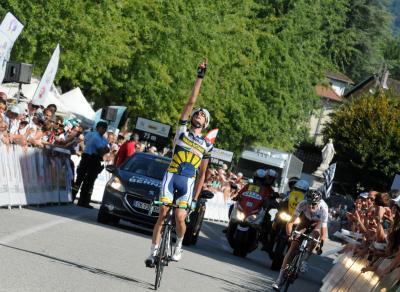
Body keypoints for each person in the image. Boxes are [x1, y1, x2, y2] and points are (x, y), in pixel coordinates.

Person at [145, 59, 212, 266]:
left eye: (203, 115)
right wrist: (199, 77)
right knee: (163, 213)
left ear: (205, 123)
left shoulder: (207, 145)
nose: (199, 115)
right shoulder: (182, 132)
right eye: (197, 113)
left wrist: (196, 198)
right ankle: (152, 253)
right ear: (192, 118)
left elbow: (202, 175)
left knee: (180, 218)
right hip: (171, 176)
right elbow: (191, 101)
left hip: (188, 184)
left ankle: (179, 245)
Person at [272, 189, 328, 290]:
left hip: (317, 222)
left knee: (315, 235)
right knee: (292, 247)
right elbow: (290, 222)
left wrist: (321, 242)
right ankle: (279, 279)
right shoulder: (302, 204)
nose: (311, 206)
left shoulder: (324, 209)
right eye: (309, 203)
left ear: (319, 203)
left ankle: (305, 260)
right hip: (305, 220)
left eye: (314, 204)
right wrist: (290, 235)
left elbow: (324, 232)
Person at [72, 121, 110, 208]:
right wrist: (104, 149)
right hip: (89, 158)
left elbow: (107, 149)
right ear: (97, 127)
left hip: (94, 160)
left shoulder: (102, 138)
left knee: (89, 182)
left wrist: (104, 150)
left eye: (105, 128)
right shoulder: (95, 137)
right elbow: (102, 151)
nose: (103, 130)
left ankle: (83, 200)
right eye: (102, 128)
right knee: (81, 180)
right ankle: (77, 198)